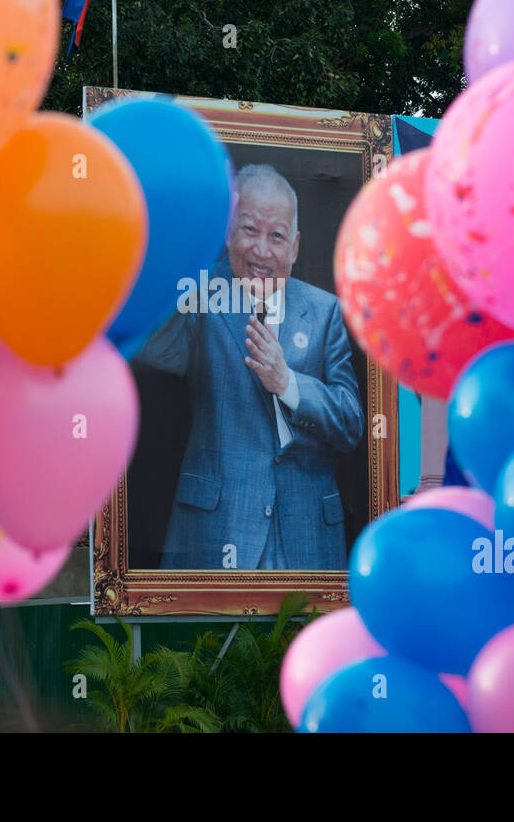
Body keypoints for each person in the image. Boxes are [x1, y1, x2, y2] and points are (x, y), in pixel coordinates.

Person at [134, 164, 364, 570]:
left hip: (307, 537)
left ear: (294, 247)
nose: (262, 250)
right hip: (218, 529)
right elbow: (154, 348)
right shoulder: (203, 293)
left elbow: (350, 424)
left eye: (276, 236)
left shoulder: (325, 311)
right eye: (249, 230)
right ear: (228, 233)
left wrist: (288, 383)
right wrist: (198, 253)